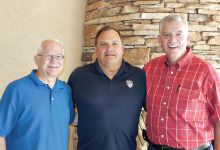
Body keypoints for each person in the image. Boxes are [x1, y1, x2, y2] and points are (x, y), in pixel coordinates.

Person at [143, 15, 220, 150]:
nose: (173, 39)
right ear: (160, 40)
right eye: (167, 34)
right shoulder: (149, 69)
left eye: (179, 34)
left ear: (188, 38)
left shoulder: (205, 71)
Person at [68, 26, 146, 150]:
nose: (109, 48)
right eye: (103, 44)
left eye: (114, 43)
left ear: (122, 49)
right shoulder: (79, 76)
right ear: (96, 50)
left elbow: (154, 111)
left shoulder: (140, 77)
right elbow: (63, 111)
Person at [0, 39, 75, 150]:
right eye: (48, 56)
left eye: (59, 56)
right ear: (37, 60)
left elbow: (71, 119)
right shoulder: (16, 90)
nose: (54, 60)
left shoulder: (65, 90)